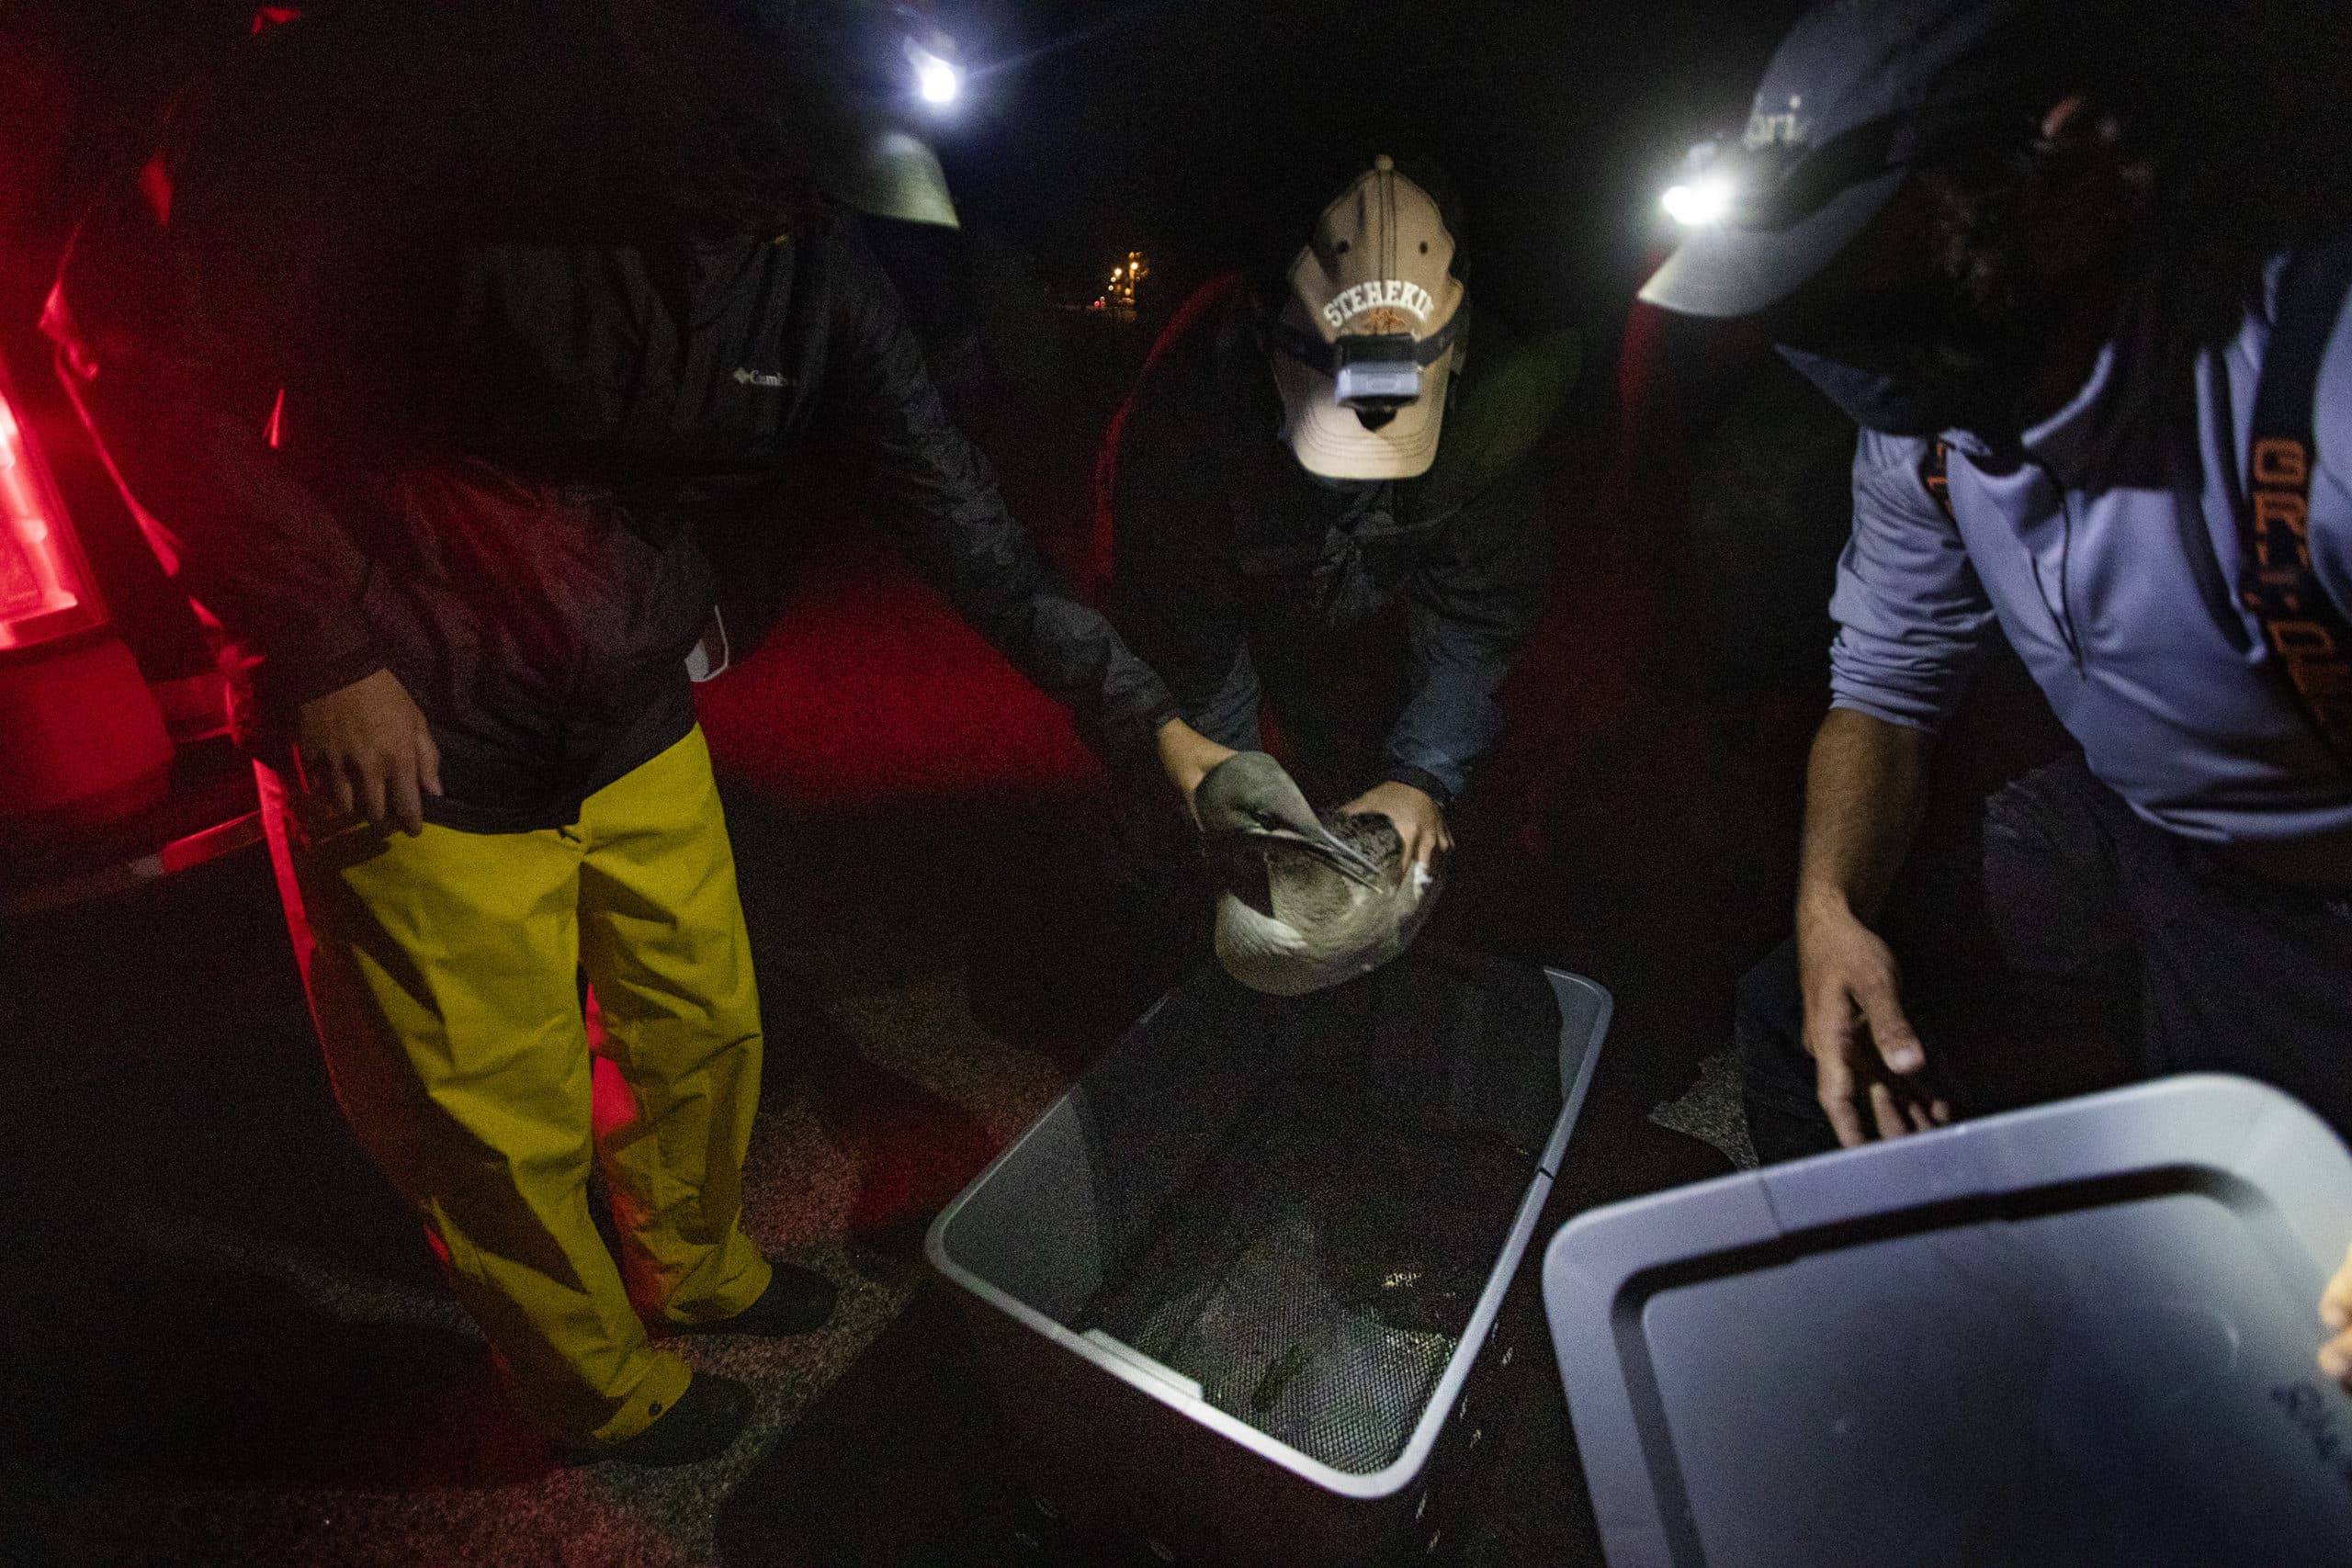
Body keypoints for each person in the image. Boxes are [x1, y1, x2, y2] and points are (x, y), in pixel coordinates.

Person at [47, 0, 1228, 1464]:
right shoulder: (407, 103)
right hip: (408, 709)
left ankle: (698, 1263)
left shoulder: (819, 267)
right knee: (493, 1115)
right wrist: (326, 646)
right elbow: (118, 339)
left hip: (622, 683)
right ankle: (590, 1382)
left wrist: (1156, 727)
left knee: (702, 1018)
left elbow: (964, 518)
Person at [1639, 0, 2352, 1385]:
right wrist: (1830, 902)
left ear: (2068, 167)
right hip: (2127, 824)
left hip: (2317, 900)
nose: (1823, 322)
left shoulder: (2310, 379)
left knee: (2289, 1337)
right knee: (1804, 1017)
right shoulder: (1932, 416)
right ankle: (1929, 1374)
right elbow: (1886, 686)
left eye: (1854, 259)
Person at [1102, 154, 1573, 973]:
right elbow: (1187, 632)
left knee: (1369, 770)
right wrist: (1225, 779)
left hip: (1362, 608)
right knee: (1199, 810)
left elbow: (1477, 610)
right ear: (1268, 334)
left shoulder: (1496, 397)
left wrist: (1422, 771)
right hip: (1212, 593)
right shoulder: (1188, 412)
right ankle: (1171, 957)